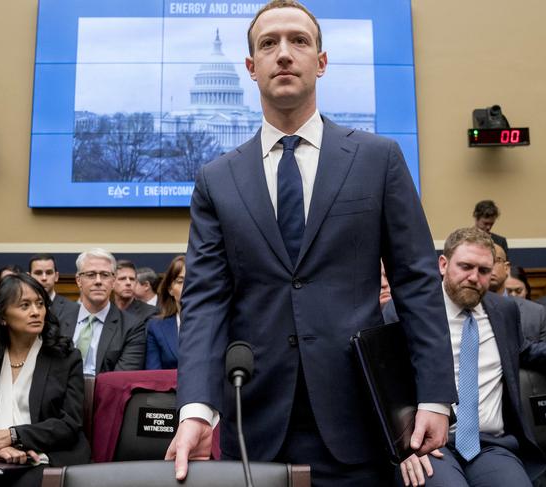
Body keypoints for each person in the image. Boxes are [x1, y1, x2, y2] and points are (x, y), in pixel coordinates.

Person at [166, 2, 457, 485]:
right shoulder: (216, 179)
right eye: (268, 43)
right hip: (257, 422)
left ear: (321, 62)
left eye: (298, 41)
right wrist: (196, 408)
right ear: (250, 67)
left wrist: (433, 395)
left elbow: (418, 281)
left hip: (360, 416)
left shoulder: (377, 158)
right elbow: (204, 301)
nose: (283, 54)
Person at [399, 227, 546, 487]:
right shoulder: (410, 312)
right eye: (465, 266)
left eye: (483, 271)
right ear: (443, 264)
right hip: (428, 445)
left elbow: (523, 351)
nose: (473, 277)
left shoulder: (504, 310)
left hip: (491, 444)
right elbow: (384, 386)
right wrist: (400, 448)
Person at [0, 274, 90, 487]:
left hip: (43, 458)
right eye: (24, 305)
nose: (36, 312)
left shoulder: (65, 357)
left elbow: (69, 424)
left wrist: (13, 436)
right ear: (3, 316)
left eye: (40, 304)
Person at [56, 248, 146, 374]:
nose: (98, 281)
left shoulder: (131, 327)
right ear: (78, 280)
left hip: (106, 392)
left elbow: (121, 379)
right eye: (91, 275)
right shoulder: (58, 320)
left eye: (105, 275)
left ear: (113, 281)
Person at [145, 256, 185, 370]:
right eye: (180, 281)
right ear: (170, 289)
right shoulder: (156, 327)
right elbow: (154, 375)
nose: (187, 286)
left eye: (192, 281)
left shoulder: (214, 324)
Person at [28, 253, 75, 319]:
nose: (44, 278)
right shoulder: (22, 307)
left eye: (49, 273)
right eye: (38, 273)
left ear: (56, 276)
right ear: (29, 277)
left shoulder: (73, 309)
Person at [113, 260, 158, 324]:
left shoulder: (150, 313)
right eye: (122, 279)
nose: (128, 283)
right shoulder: (106, 310)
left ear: (136, 283)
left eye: (132, 279)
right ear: (112, 283)